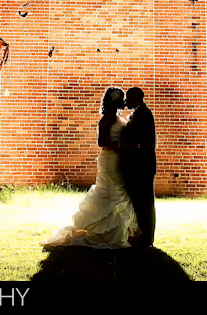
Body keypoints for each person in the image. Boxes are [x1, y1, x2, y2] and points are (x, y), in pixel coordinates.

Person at [42, 87, 138, 249]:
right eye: (121, 99)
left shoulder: (118, 118)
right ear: (114, 101)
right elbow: (102, 142)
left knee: (120, 193)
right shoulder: (106, 119)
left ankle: (115, 232)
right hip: (109, 160)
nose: (123, 101)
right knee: (110, 192)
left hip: (119, 160)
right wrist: (123, 145)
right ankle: (105, 233)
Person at [119, 87, 156, 248]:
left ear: (136, 97)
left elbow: (137, 140)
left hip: (142, 166)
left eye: (128, 98)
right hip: (139, 166)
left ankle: (147, 238)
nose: (126, 101)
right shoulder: (138, 113)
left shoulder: (144, 114)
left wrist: (121, 141)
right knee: (140, 203)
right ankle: (142, 235)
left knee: (145, 203)